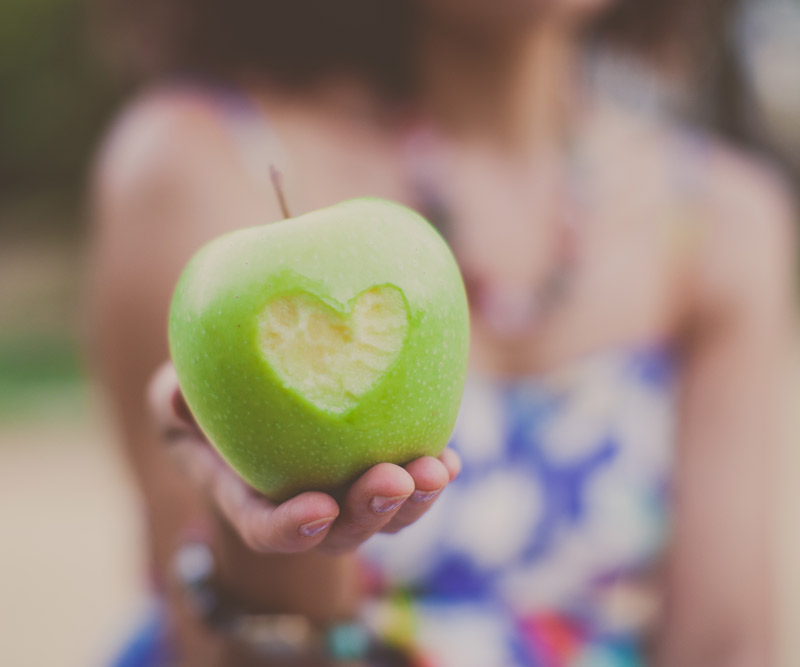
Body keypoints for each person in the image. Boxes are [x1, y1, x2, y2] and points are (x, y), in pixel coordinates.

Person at [88, 0, 796, 664]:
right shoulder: (202, 161)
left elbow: (725, 645)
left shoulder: (722, 219)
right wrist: (278, 545)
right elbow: (217, 648)